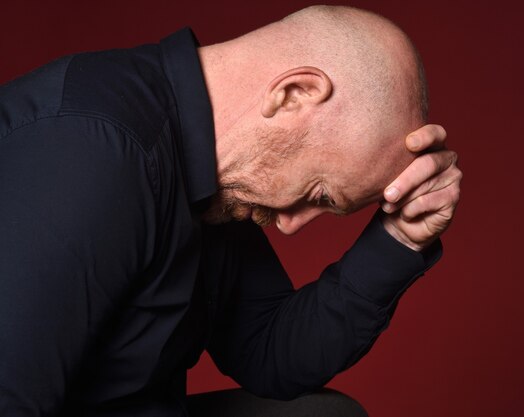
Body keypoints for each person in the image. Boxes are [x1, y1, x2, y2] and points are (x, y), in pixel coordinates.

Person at [0, 5, 462, 417]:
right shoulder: (91, 149)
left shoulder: (214, 178)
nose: (289, 224)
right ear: (294, 94)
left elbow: (269, 354)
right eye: (319, 194)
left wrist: (402, 235)